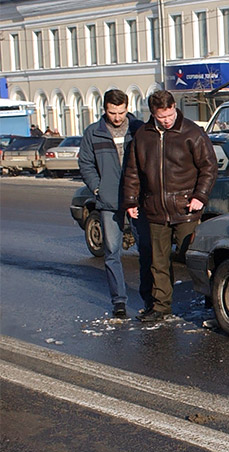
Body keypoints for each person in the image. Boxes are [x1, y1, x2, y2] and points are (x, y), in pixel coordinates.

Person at [123, 90, 217, 323]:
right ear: (153, 113)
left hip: (186, 207)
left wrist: (200, 197)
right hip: (154, 208)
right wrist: (131, 200)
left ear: (175, 107)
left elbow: (209, 167)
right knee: (158, 261)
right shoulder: (143, 136)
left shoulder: (192, 133)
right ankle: (161, 306)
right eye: (161, 116)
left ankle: (212, 300)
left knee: (193, 257)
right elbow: (133, 171)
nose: (166, 120)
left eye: (169, 114)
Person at [78, 89, 147, 319]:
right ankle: (119, 300)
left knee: (145, 250)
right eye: (112, 112)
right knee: (112, 252)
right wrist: (98, 188)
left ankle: (149, 299)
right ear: (104, 109)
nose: (117, 117)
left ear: (127, 108)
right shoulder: (93, 133)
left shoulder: (138, 129)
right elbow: (85, 163)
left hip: (136, 198)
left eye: (121, 112)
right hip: (108, 201)